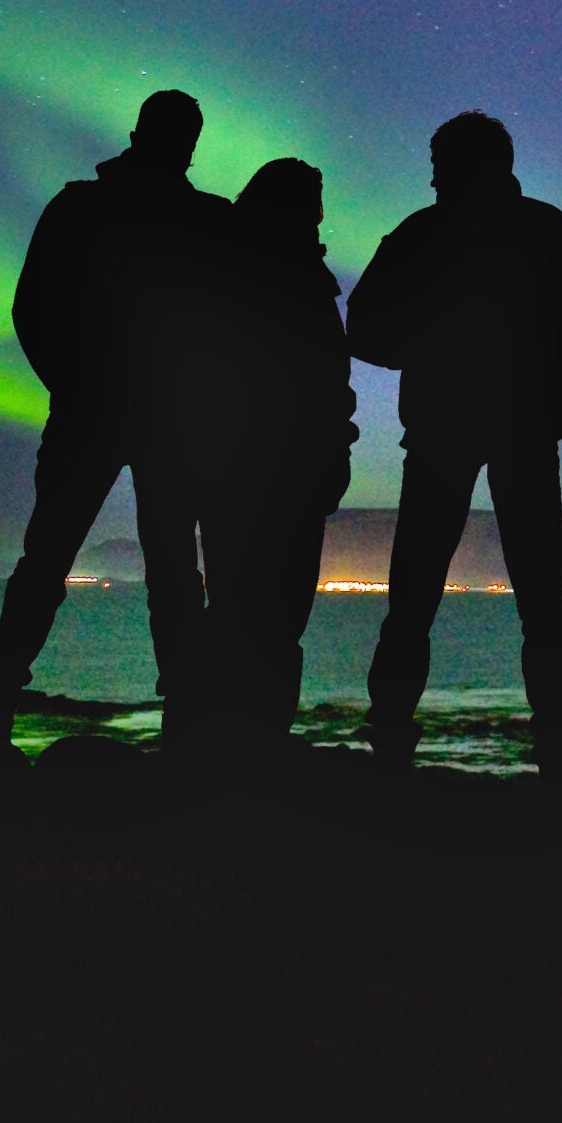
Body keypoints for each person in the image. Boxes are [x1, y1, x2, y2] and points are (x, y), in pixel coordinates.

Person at [348, 111, 562, 778]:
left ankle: (389, 736)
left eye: (440, 164)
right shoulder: (553, 232)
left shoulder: (423, 233)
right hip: (526, 426)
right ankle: (557, 747)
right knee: (540, 600)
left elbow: (365, 326)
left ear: (462, 165)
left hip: (442, 425)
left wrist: (430, 350)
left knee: (413, 593)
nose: (433, 177)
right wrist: (546, 355)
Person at [0, 91, 230, 747]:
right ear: (185, 142)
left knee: (53, 559)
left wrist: (73, 384)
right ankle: (186, 719)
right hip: (155, 414)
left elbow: (32, 308)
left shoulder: (81, 207)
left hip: (106, 409)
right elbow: (232, 323)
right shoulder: (205, 220)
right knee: (166, 570)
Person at [201, 157, 358, 750]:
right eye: (314, 198)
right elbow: (323, 378)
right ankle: (249, 739)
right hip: (279, 467)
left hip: (252, 467)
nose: (321, 211)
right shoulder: (286, 272)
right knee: (270, 611)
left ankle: (234, 736)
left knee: (247, 607)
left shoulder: (228, 263)